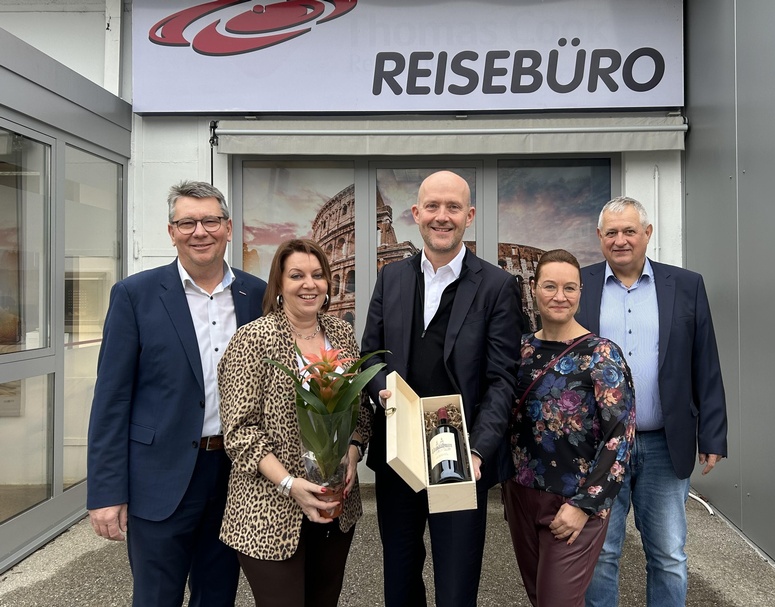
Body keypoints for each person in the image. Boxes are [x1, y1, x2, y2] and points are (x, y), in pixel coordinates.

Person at [86, 180, 267, 606]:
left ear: (227, 228)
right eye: (187, 222)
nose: (199, 231)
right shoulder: (135, 295)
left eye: (209, 221)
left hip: (234, 476)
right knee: (156, 597)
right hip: (160, 476)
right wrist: (107, 492)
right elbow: (112, 399)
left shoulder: (256, 295)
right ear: (171, 232)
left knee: (218, 593)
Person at [361, 170, 523, 607]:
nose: (441, 216)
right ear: (416, 214)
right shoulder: (391, 278)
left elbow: (502, 379)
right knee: (399, 577)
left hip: (459, 454)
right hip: (399, 452)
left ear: (469, 216)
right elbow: (370, 356)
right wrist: (382, 391)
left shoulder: (496, 286)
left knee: (456, 583)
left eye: (453, 207)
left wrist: (479, 449)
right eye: (432, 206)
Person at [579, 196, 728, 607]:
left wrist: (713, 434)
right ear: (599, 238)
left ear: (647, 234)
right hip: (599, 448)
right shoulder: (581, 284)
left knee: (668, 556)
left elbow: (706, 362)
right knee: (600, 555)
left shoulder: (685, 284)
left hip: (665, 442)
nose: (621, 240)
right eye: (612, 232)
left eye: (630, 231)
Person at [217, 239, 372, 607]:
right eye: (297, 275)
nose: (309, 284)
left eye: (318, 275)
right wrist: (289, 484)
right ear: (279, 284)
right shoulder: (254, 339)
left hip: (334, 505)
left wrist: (352, 452)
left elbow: (360, 410)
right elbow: (239, 431)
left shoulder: (342, 335)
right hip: (269, 509)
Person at [503, 248, 635, 607]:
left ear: (580, 292)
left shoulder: (602, 354)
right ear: (533, 288)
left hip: (574, 501)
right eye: (550, 286)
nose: (559, 296)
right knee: (539, 597)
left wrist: (585, 505)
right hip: (521, 495)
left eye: (569, 288)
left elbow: (619, 440)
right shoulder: (519, 351)